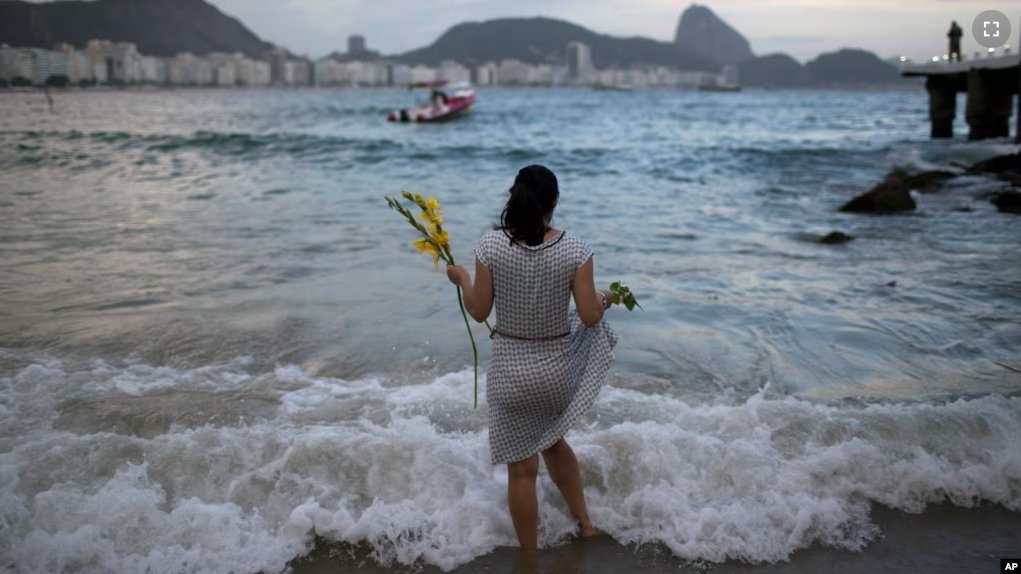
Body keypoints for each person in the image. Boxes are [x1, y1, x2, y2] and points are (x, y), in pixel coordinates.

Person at [445, 165, 619, 551]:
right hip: (556, 371)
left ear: (515, 197)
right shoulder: (576, 249)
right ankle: (586, 525)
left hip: (510, 373)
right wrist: (607, 295)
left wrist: (462, 279)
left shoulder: (490, 247)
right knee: (554, 443)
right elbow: (590, 316)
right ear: (554, 202)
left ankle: (529, 557)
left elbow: (478, 311)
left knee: (522, 472)